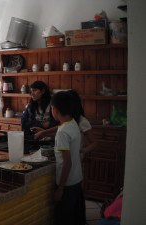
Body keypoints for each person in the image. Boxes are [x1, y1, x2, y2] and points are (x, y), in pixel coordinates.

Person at [51, 91, 86, 225]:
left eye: (52, 108)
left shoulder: (62, 132)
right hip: (77, 179)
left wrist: (60, 189)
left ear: (56, 110)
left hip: (67, 183)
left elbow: (67, 163)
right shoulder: (73, 123)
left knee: (63, 218)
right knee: (76, 216)